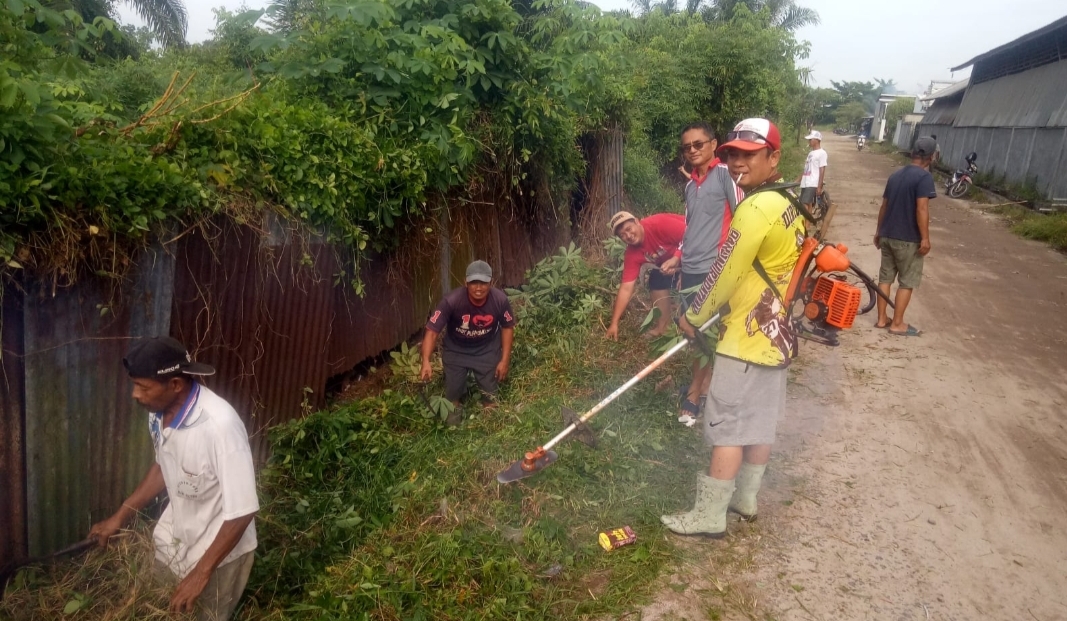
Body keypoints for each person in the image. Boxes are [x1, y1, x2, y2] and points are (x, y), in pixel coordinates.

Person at [665, 118, 804, 539]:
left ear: (773, 156)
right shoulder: (788, 202)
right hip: (776, 333)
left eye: (750, 154)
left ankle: (709, 516)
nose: (739, 162)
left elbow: (726, 269)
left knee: (726, 423)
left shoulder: (755, 207)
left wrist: (693, 314)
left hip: (745, 337)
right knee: (759, 422)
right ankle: (746, 498)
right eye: (734, 154)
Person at [89, 337, 259, 621]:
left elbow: (242, 512)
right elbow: (163, 467)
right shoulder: (158, 413)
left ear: (176, 385)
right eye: (135, 385)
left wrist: (200, 574)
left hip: (219, 555)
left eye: (143, 387)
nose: (135, 395)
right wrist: (121, 515)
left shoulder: (220, 426)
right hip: (175, 540)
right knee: (160, 609)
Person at [667, 122, 744, 426]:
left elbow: (743, 216)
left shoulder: (726, 174)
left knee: (706, 334)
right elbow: (689, 226)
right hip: (691, 270)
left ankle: (697, 394)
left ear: (714, 144)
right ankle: (703, 385)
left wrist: (731, 262)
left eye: (699, 144)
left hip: (716, 269)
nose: (693, 150)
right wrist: (678, 257)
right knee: (694, 334)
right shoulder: (689, 186)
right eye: (687, 147)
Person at [420, 260, 516, 425]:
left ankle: (490, 426)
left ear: (491, 283)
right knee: (453, 392)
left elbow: (508, 327)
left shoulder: (500, 300)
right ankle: (454, 429)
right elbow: (432, 332)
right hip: (456, 350)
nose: (478, 288)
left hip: (486, 349)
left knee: (490, 393)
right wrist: (426, 361)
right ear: (466, 282)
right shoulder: (451, 301)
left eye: (483, 283)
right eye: (474, 282)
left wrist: (504, 360)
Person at [874, 136, 937, 337]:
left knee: (885, 277)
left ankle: (882, 319)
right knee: (907, 281)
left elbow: (884, 205)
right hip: (908, 239)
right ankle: (898, 323)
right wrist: (925, 238)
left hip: (887, 234)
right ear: (932, 157)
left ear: (912, 153)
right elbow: (922, 208)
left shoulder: (895, 175)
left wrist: (878, 231)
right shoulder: (924, 178)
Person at [605, 210, 686, 340]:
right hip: (677, 263)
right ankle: (664, 327)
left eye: (629, 229)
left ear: (637, 221)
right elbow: (626, 288)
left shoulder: (658, 224)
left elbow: (692, 234)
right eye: (623, 235)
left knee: (689, 282)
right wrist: (614, 323)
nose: (628, 235)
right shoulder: (632, 254)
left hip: (703, 249)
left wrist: (681, 265)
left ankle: (692, 329)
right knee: (656, 279)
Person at [797, 130, 827, 212]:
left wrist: (819, 186)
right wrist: (797, 181)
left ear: (817, 140)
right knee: (808, 203)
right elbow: (806, 168)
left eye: (810, 140)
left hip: (812, 182)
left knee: (804, 203)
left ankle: (805, 224)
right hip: (806, 182)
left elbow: (822, 170)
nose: (809, 141)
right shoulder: (810, 153)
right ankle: (808, 224)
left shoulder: (822, 153)